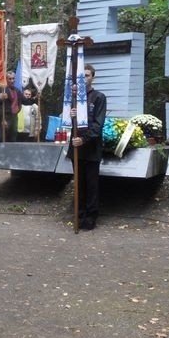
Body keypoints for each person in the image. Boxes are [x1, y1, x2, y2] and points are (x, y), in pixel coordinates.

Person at [68, 64, 107, 230]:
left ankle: (91, 216)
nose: (84, 79)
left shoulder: (99, 97)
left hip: (90, 147)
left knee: (91, 184)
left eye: (87, 75)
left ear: (92, 77)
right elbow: (69, 122)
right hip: (76, 148)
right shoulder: (74, 97)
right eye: (81, 76)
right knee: (79, 183)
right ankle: (80, 213)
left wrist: (84, 139)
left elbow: (98, 125)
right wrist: (71, 116)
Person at [0, 71, 22, 143]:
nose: (12, 81)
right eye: (10, 79)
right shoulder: (3, 90)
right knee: (3, 140)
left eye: (13, 79)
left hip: (14, 118)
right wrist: (3, 119)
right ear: (6, 79)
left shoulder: (18, 91)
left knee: (13, 140)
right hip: (6, 118)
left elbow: (24, 100)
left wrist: (35, 98)